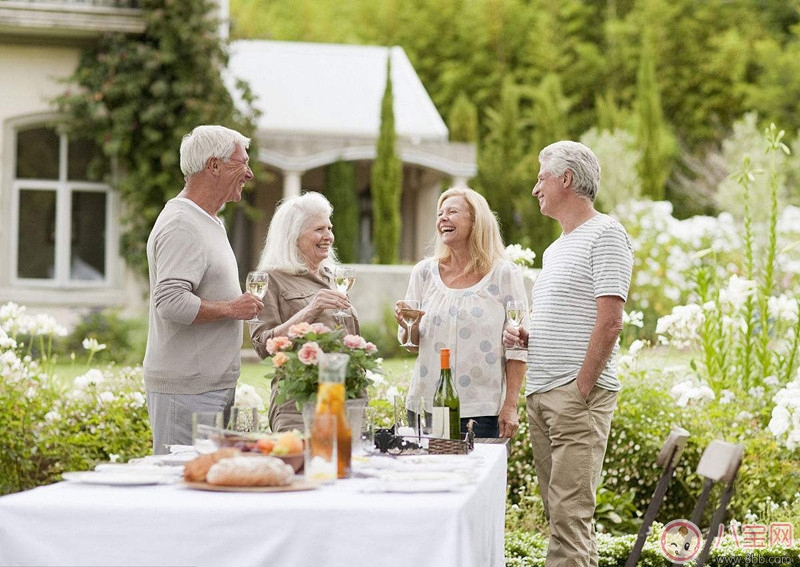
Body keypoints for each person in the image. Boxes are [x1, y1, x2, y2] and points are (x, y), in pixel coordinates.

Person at [504, 141, 634, 566]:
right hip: (543, 394)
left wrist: (582, 387)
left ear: (566, 179)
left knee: (569, 517)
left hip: (575, 397)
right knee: (563, 518)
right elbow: (557, 313)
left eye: (542, 177)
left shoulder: (607, 234)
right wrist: (528, 332)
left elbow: (611, 320)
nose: (535, 188)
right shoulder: (556, 248)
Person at [143, 125, 263, 455]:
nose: (249, 173)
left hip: (206, 387)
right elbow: (170, 302)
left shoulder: (206, 220)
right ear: (214, 166)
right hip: (187, 391)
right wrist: (232, 309)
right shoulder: (183, 224)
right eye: (243, 163)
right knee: (183, 494)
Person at [395, 186, 527, 438]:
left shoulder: (503, 274)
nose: (442, 218)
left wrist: (510, 405)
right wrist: (406, 326)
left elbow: (518, 347)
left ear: (476, 221)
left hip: (481, 411)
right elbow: (412, 346)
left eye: (452, 212)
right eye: (439, 213)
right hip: (426, 406)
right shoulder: (424, 273)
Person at [250, 191, 358, 432]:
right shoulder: (271, 279)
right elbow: (262, 345)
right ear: (294, 236)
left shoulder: (333, 277)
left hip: (344, 397)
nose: (328, 236)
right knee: (302, 467)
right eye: (319, 229)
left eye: (330, 228)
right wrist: (311, 309)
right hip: (298, 405)